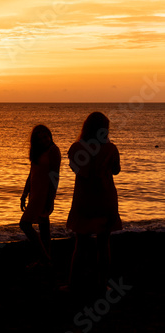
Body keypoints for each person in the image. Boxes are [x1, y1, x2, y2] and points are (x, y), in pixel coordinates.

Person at [66, 112, 121, 293]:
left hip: (84, 199)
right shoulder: (111, 149)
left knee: (80, 244)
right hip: (105, 198)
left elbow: (75, 168)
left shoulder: (76, 148)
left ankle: (74, 285)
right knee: (104, 245)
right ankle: (101, 284)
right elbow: (116, 171)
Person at [20, 125, 61, 268]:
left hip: (44, 194)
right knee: (44, 227)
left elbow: (55, 177)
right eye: (40, 138)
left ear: (50, 135)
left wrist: (50, 199)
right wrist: (24, 193)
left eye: (46, 136)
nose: (44, 140)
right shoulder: (37, 152)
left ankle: (44, 257)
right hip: (35, 193)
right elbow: (31, 174)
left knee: (24, 224)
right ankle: (45, 260)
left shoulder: (53, 150)